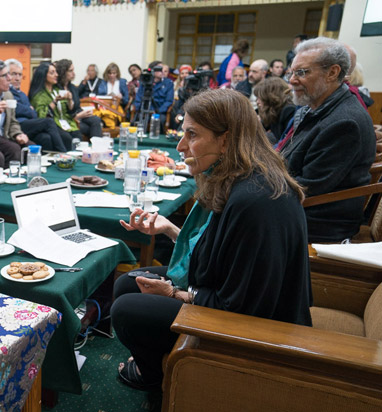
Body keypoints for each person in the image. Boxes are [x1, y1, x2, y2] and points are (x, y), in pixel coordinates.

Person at [112, 89, 312, 392]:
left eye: (192, 135)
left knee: (126, 309)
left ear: (226, 139)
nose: (181, 146)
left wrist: (173, 295)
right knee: (128, 283)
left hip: (254, 330)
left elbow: (240, 308)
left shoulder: (256, 201)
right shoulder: (243, 178)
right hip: (233, 300)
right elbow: (223, 253)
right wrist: (169, 229)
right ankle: (152, 364)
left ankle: (155, 375)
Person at [278, 37, 376, 243]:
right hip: (301, 206)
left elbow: (308, 187)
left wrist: (254, 185)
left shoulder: (345, 122)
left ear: (332, 73)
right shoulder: (317, 106)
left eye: (302, 72)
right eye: (291, 73)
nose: (292, 80)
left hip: (319, 222)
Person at [5, 58, 65, 152]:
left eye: (20, 74)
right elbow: (17, 110)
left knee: (45, 138)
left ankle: (48, 162)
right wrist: (30, 110)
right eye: (14, 74)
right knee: (48, 122)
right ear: (6, 75)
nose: (17, 78)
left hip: (29, 124)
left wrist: (29, 110)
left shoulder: (22, 94)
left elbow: (33, 114)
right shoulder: (5, 91)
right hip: (16, 125)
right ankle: (63, 154)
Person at [29, 62, 81, 150]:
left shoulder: (57, 90)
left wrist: (69, 99)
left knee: (77, 134)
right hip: (52, 125)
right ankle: (65, 160)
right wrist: (55, 101)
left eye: (56, 72)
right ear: (44, 75)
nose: (56, 75)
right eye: (52, 73)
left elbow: (70, 109)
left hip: (65, 122)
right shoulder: (39, 95)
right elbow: (42, 116)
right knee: (67, 138)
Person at [54, 59, 102, 141]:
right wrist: (77, 116)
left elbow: (76, 105)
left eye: (73, 70)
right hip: (67, 120)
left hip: (79, 115)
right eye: (70, 71)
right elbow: (61, 112)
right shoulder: (56, 88)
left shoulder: (72, 87)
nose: (73, 73)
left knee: (96, 119)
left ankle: (96, 148)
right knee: (90, 128)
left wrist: (82, 113)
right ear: (63, 72)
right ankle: (96, 147)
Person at [132, 60, 174, 133]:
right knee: (135, 121)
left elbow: (168, 101)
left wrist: (157, 111)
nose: (162, 71)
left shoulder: (168, 83)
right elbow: (138, 99)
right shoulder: (144, 82)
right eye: (159, 69)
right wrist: (142, 110)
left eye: (163, 69)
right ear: (152, 71)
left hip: (159, 112)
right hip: (144, 110)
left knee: (161, 121)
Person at [253, 78, 295, 146]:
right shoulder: (273, 110)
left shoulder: (288, 111)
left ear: (269, 97)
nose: (257, 102)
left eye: (260, 98)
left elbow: (285, 141)